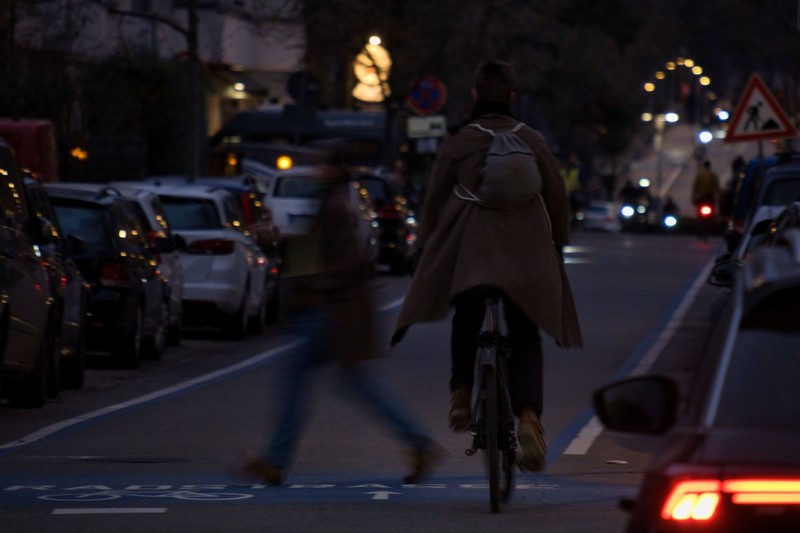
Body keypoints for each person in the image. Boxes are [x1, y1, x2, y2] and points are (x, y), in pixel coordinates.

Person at [390, 59, 583, 473]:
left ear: (474, 95)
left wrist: (425, 245)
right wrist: (558, 245)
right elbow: (558, 201)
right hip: (527, 257)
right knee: (526, 335)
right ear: (512, 97)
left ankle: (461, 393)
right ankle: (529, 417)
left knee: (466, 315)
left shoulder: (460, 143)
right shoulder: (533, 140)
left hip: (472, 256)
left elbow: (434, 201)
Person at [236, 156, 443, 486]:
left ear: (334, 170)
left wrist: (313, 283)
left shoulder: (335, 207)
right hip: (337, 311)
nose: (315, 169)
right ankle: (419, 442)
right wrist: (280, 240)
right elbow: (319, 252)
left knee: (294, 377)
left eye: (322, 164)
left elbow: (343, 262)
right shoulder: (335, 203)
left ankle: (276, 461)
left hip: (331, 311)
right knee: (356, 384)